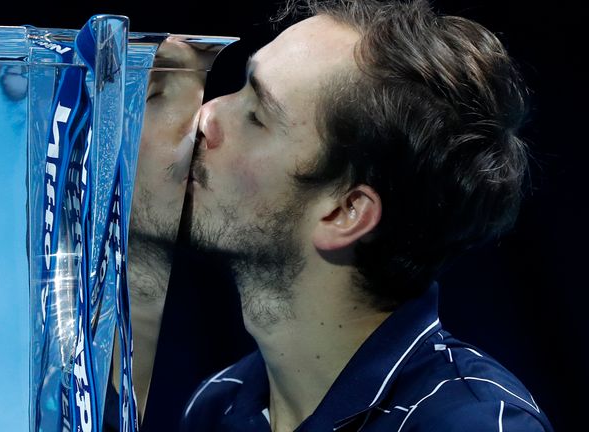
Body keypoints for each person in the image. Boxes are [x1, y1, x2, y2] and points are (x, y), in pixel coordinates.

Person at [180, 0, 554, 431]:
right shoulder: (217, 404)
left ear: (345, 212)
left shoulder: (471, 423)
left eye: (257, 116)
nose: (204, 116)